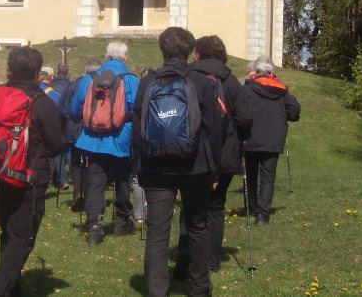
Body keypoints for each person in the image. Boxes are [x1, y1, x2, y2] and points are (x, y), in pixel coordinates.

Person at [133, 27, 223, 297]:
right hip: (196, 165)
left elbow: (138, 126)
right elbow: (214, 128)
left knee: (158, 232)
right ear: (189, 50)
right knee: (197, 225)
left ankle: (157, 291)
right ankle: (200, 288)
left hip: (156, 166)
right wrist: (215, 169)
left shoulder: (148, 83)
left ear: (161, 50)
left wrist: (139, 165)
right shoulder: (203, 82)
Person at [0, 47, 66, 297]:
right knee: (22, 237)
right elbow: (56, 144)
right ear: (37, 73)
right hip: (29, 177)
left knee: (8, 231)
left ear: (9, 69)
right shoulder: (42, 103)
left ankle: (12, 288)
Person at [174, 34, 244, 278]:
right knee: (215, 207)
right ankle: (212, 259)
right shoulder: (232, 81)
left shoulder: (189, 77)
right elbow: (245, 118)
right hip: (225, 153)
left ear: (198, 54)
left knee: (191, 206)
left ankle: (185, 256)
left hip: (194, 152)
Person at [68, 42, 139, 245]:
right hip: (121, 139)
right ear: (125, 57)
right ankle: (122, 220)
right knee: (123, 180)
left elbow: (74, 109)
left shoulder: (90, 78)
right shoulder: (131, 79)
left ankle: (94, 225)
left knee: (96, 180)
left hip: (93, 140)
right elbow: (138, 109)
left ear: (106, 56)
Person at [237, 55, 301, 226]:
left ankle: (250, 207)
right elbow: (294, 110)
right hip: (273, 138)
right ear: (272, 72)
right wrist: (283, 115)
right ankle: (262, 215)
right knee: (268, 176)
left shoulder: (247, 89)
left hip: (251, 137)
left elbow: (238, 111)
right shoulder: (280, 90)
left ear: (256, 72)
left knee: (250, 174)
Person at [61, 59, 100, 212]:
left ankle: (78, 193)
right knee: (93, 162)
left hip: (75, 128)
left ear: (85, 70)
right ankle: (89, 195)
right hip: (95, 129)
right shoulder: (105, 84)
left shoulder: (74, 85)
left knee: (77, 163)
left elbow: (63, 108)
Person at [49, 64, 71, 190]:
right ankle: (71, 174)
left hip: (54, 121)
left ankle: (61, 179)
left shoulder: (51, 87)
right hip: (67, 121)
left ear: (57, 72)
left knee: (57, 150)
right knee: (67, 148)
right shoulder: (71, 85)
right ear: (68, 73)